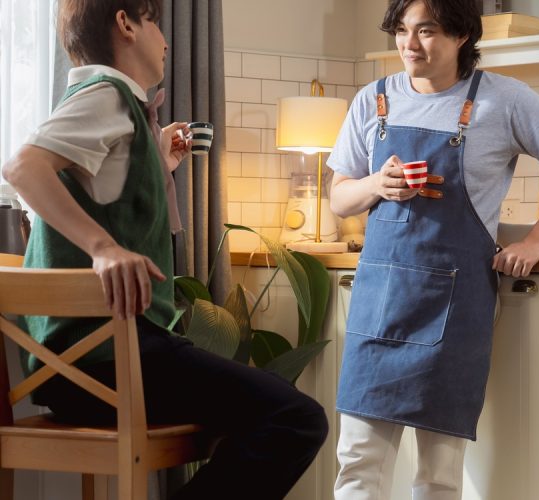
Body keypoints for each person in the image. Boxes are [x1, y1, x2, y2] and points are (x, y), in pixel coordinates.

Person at [1, 1, 327, 498]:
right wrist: (103, 248)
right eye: (153, 19)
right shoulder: (107, 94)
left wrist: (157, 164)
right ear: (125, 23)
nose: (164, 34)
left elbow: (107, 192)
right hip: (112, 362)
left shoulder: (111, 105)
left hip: (73, 370)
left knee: (262, 414)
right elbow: (22, 168)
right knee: (295, 418)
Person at [327, 0, 539, 498]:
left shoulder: (503, 100)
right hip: (378, 305)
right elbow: (339, 198)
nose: (410, 45)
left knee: (438, 474)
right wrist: (376, 185)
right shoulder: (372, 100)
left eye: (426, 31)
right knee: (357, 462)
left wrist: (535, 240)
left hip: (453, 309)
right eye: (402, 31)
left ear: (460, 36)